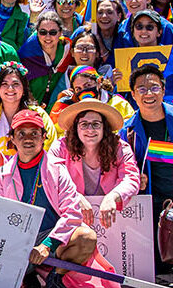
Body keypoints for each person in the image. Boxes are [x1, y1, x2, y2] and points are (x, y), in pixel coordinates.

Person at [0, 108, 114, 288]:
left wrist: (47, 245)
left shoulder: (58, 170)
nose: (28, 139)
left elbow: (72, 213)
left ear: (44, 137)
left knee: (86, 238)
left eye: (34, 133)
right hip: (16, 241)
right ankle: (27, 276)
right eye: (21, 134)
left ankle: (56, 277)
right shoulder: (2, 175)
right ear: (12, 139)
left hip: (52, 238)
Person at [119, 64, 173, 268]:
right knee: (159, 264)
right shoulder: (127, 130)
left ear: (163, 90)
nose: (149, 94)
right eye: (142, 89)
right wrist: (136, 176)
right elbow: (120, 168)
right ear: (133, 95)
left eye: (154, 88)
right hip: (150, 205)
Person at [54, 98, 142, 238]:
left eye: (96, 124)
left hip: (113, 220)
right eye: (84, 124)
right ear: (76, 127)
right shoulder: (61, 147)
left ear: (104, 128)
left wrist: (113, 196)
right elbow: (52, 178)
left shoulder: (120, 147)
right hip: (72, 218)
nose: (90, 130)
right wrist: (75, 197)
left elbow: (131, 177)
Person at [0, 61, 53, 163]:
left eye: (15, 84)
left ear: (24, 88)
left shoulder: (38, 114)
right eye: (4, 84)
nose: (10, 89)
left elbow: (50, 144)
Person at [20, 10, 71, 107]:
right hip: (30, 108)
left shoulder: (68, 52)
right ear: (37, 33)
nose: (48, 37)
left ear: (60, 33)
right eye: (43, 32)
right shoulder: (27, 54)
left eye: (53, 32)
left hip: (58, 108)